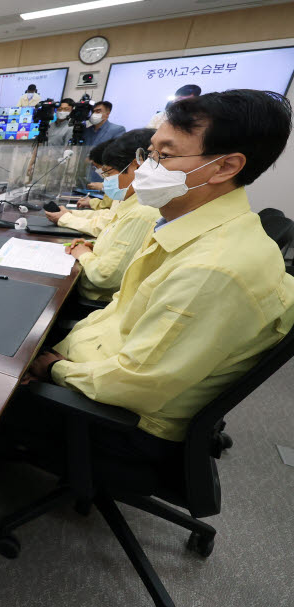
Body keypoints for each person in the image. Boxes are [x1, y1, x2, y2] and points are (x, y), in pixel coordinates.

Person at [16, 89, 294, 462]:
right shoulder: (189, 227)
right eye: (147, 154)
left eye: (164, 156)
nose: (146, 168)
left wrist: (53, 368)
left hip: (122, 425)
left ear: (225, 167)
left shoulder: (213, 268)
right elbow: (120, 312)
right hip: (100, 372)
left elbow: (134, 387)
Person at [62, 129, 161, 301]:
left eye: (108, 173)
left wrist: (82, 254)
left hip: (92, 300)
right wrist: (94, 247)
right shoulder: (131, 202)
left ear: (136, 166)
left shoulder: (142, 212)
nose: (106, 180)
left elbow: (105, 276)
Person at [45, 139, 116, 235]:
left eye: (105, 170)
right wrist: (70, 213)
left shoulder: (119, 184)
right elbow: (108, 214)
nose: (100, 171)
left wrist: (65, 218)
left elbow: (103, 225)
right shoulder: (116, 182)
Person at [83, 101, 126, 184]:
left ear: (107, 113)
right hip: (83, 175)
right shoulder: (86, 131)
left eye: (98, 111)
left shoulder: (117, 130)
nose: (94, 114)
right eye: (93, 111)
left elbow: (116, 153)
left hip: (102, 176)